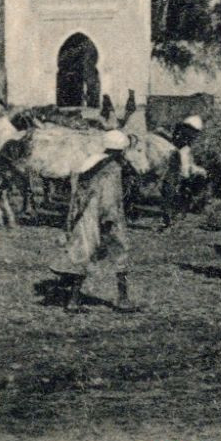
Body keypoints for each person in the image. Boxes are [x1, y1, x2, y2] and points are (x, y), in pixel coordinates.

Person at [49, 129, 138, 313]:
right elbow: (110, 199)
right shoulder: (112, 168)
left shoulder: (90, 163)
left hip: (85, 216)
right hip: (105, 217)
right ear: (119, 150)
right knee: (121, 253)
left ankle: (73, 301)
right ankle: (123, 299)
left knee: (83, 256)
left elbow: (78, 194)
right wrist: (110, 220)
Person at [161, 114, 209, 228]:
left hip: (180, 170)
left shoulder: (185, 146)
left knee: (179, 194)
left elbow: (187, 162)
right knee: (171, 193)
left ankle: (175, 217)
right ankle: (170, 220)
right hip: (174, 171)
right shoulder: (178, 145)